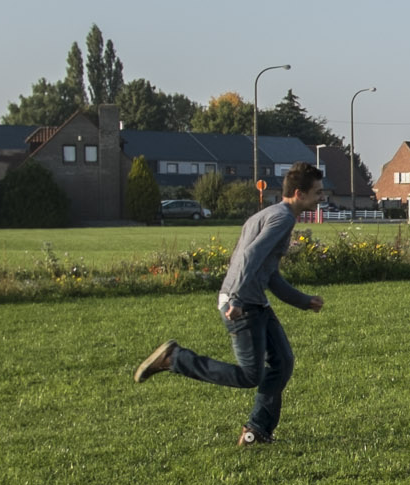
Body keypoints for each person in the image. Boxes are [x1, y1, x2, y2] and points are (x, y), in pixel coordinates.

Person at [134, 161, 328, 446]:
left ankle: (257, 432)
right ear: (299, 194)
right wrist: (236, 298)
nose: (321, 197)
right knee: (251, 375)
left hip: (254, 301)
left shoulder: (267, 215)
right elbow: (249, 258)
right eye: (317, 193)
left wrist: (302, 301)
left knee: (282, 362)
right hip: (242, 304)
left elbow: (268, 272)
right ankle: (175, 359)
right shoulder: (283, 218)